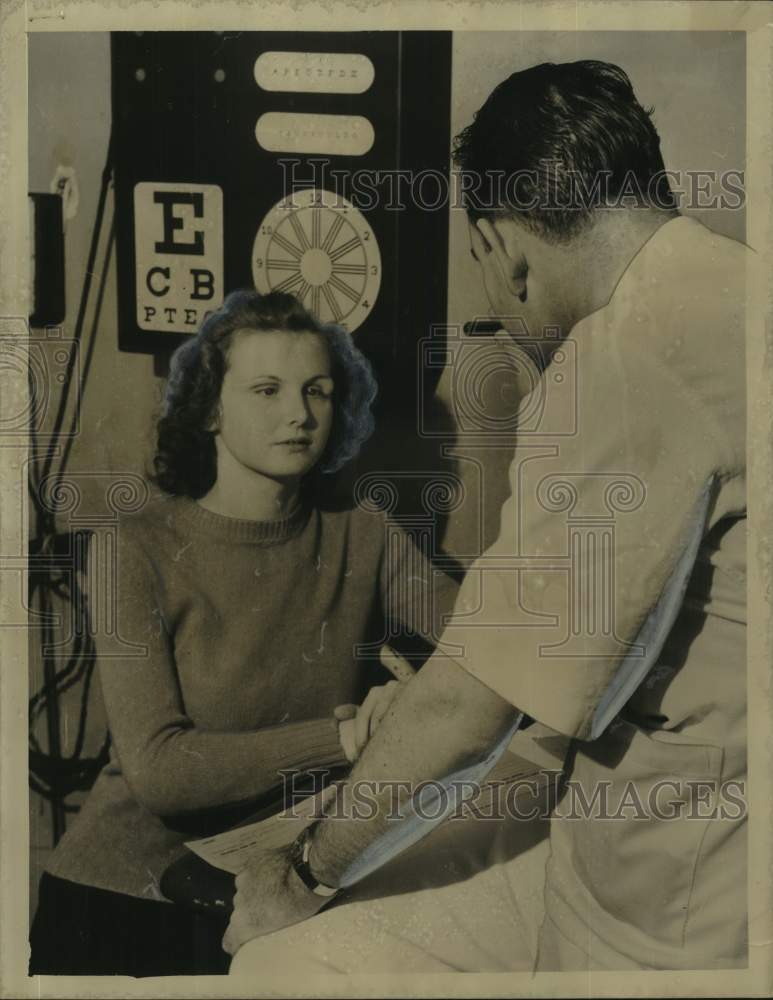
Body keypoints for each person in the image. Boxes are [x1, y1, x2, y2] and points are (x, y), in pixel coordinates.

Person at [225, 60, 750, 973]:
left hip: (671, 910)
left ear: (499, 244)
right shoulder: (735, 290)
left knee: (278, 960)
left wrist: (299, 871)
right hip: (716, 857)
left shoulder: (617, 358)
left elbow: (471, 705)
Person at [29, 290, 457, 976]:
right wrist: (345, 738)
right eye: (267, 389)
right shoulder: (130, 550)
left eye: (317, 390)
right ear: (208, 408)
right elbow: (162, 772)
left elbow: (489, 643)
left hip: (268, 898)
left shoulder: (365, 536)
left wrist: (417, 698)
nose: (299, 413)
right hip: (121, 906)